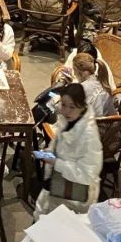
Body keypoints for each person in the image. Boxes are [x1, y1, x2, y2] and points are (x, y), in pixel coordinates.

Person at [33, 83, 103, 218]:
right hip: (56, 186)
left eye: (72, 107)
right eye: (64, 105)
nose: (67, 111)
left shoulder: (89, 135)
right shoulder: (68, 121)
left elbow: (87, 174)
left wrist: (56, 163)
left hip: (74, 197)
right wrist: (47, 153)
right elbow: (58, 144)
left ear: (82, 106)